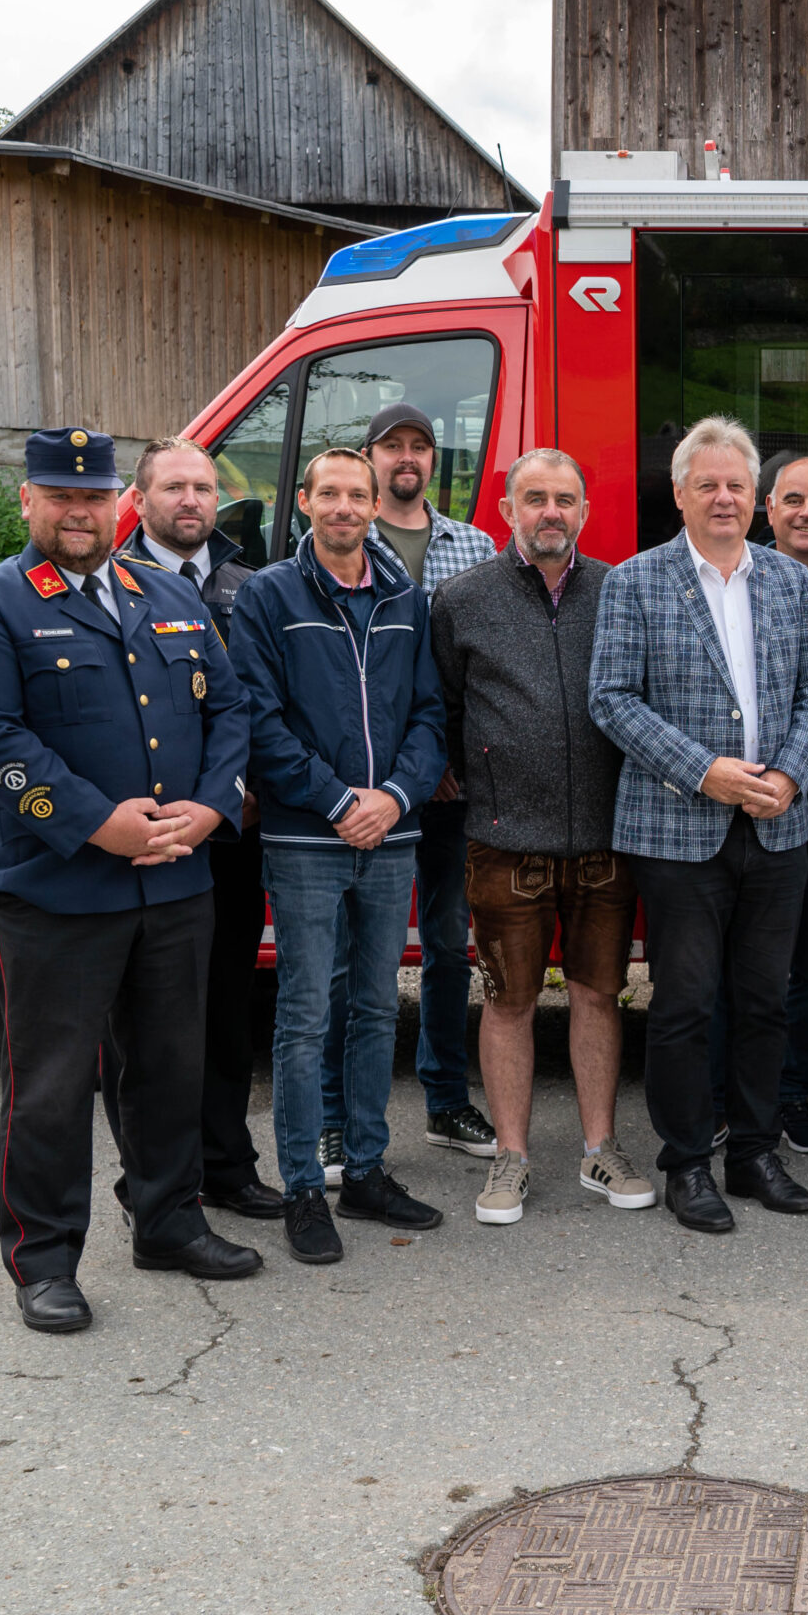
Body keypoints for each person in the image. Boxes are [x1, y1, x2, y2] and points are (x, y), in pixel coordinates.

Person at [0, 427, 262, 1333]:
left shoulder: (166, 594)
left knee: (167, 1069)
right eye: (61, 496)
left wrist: (212, 807)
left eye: (93, 497)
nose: (79, 512)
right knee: (51, 1084)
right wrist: (95, 823)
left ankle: (168, 1221)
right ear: (28, 502)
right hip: (57, 889)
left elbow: (231, 708)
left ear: (119, 503)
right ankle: (43, 1258)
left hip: (176, 882)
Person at [589, 416, 808, 1234]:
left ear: (754, 494)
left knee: (765, 1000)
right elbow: (612, 699)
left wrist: (790, 773)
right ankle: (688, 1162)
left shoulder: (787, 580)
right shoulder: (636, 580)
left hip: (776, 825)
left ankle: (754, 1153)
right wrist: (705, 770)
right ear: (680, 493)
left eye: (736, 484)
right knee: (686, 1005)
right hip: (677, 828)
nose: (724, 497)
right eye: (708, 484)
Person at [235, 448, 450, 1266]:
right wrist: (336, 802)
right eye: (329, 492)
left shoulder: (405, 597)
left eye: (357, 494)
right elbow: (259, 719)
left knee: (374, 1008)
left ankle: (364, 1171)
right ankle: (302, 1187)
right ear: (304, 501)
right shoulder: (269, 594)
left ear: (374, 504)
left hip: (390, 833)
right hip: (306, 838)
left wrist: (393, 796)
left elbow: (430, 715)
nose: (344, 506)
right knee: (303, 1016)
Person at [430, 449, 653, 1227]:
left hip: (606, 840)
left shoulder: (620, 590)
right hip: (504, 840)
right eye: (535, 498)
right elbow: (444, 706)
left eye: (564, 498)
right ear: (507, 510)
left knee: (597, 994)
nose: (550, 511)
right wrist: (477, 778)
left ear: (585, 510)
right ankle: (511, 1156)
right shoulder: (462, 598)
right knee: (508, 1000)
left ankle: (600, 1147)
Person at [329, 402, 501, 1173]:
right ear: (368, 460)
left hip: (453, 784)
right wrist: (404, 773)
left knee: (447, 946)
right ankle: (338, 1117)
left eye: (419, 446)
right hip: (368, 785)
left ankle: (445, 1099)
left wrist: (448, 762)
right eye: (391, 446)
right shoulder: (341, 541)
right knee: (350, 954)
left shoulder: (475, 545)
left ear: (434, 460)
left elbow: (483, 669)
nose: (406, 457)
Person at [113, 437, 279, 1224]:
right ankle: (149, 1180)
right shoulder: (106, 584)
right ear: (140, 499)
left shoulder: (254, 587)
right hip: (142, 838)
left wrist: (236, 793)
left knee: (226, 1007)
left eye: (203, 488)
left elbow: (257, 704)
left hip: (233, 830)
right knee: (142, 1023)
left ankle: (227, 1164)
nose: (190, 500)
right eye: (173, 486)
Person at [704, 458, 808, 1156]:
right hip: (725, 811)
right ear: (768, 508)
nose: (807, 512)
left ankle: (790, 1094)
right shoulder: (732, 577)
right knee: (722, 968)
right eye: (793, 499)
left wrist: (794, 777)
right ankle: (720, 1099)